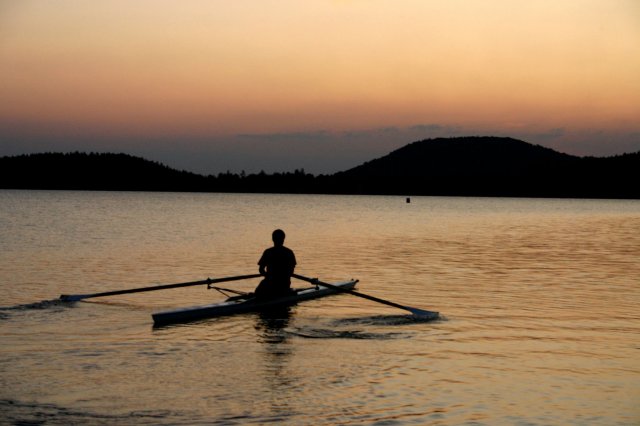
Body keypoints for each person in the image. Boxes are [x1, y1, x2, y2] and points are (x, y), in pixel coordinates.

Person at [254, 229, 297, 299]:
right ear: (283, 239)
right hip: (283, 284)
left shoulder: (268, 252)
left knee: (258, 292)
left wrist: (268, 276)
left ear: (272, 239)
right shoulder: (289, 252)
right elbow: (291, 272)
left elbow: (261, 270)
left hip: (271, 283)